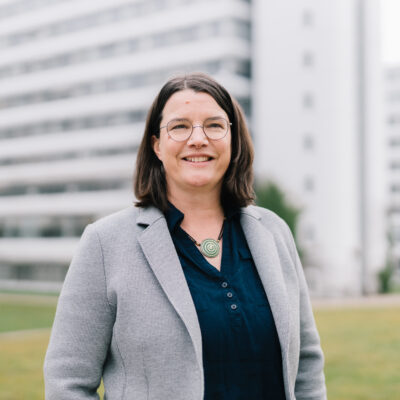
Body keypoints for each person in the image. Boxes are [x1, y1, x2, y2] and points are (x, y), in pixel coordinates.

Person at [44, 73, 326, 400]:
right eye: (179, 126)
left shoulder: (274, 233)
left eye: (214, 125)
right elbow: (67, 380)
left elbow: (306, 365)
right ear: (157, 146)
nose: (198, 139)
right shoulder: (105, 243)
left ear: (234, 140)